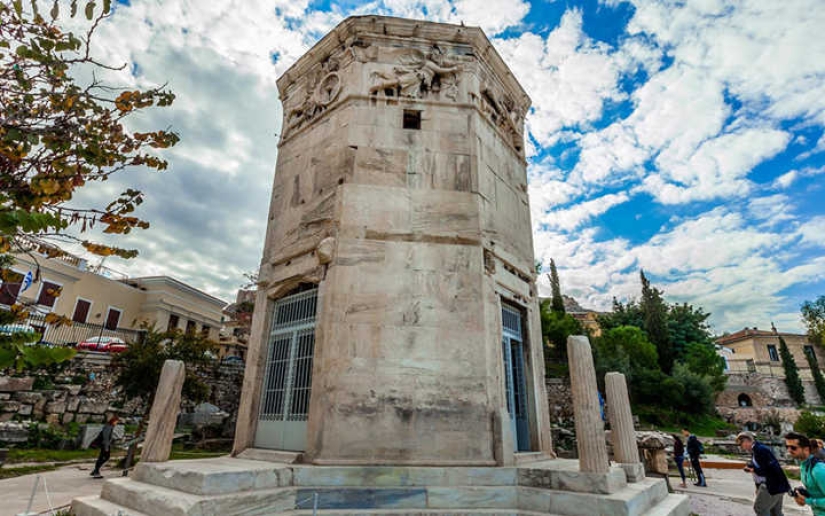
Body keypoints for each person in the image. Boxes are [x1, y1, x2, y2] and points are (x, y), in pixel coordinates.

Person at [736, 431, 790, 516]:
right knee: (775, 512)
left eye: (740, 443)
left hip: (771, 485)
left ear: (746, 441)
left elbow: (766, 470)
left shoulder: (760, 450)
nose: (740, 446)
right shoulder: (757, 449)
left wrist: (752, 469)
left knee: (760, 508)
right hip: (778, 484)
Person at [786, 432, 825, 515]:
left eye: (793, 447)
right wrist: (803, 494)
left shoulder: (818, 469)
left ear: (806, 449)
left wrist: (807, 500)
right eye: (787, 447)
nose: (789, 450)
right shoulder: (804, 465)